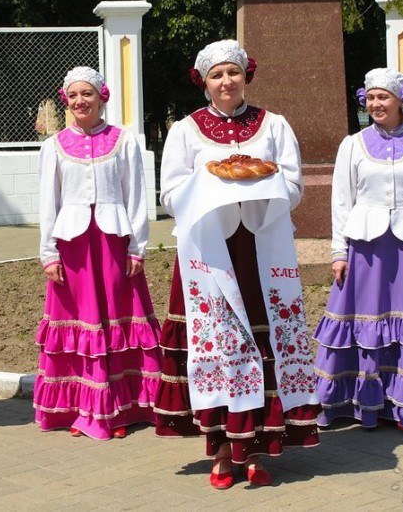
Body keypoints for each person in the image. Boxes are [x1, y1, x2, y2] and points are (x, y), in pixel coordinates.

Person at [154, 40, 320, 489]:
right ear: (204, 82)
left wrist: (265, 183)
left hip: (261, 247)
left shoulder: (274, 124)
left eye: (233, 72)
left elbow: (296, 184)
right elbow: (169, 195)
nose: (226, 82)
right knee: (220, 345)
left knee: (263, 343)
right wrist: (211, 186)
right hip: (209, 251)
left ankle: (258, 450)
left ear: (246, 74)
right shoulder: (185, 130)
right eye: (216, 75)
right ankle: (223, 452)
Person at [312, 68, 403, 432]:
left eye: (383, 97)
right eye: (371, 97)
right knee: (364, 322)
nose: (376, 103)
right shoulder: (352, 145)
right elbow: (341, 201)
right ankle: (356, 403)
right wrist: (338, 251)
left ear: (399, 101)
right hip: (365, 249)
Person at [32, 66, 162, 440]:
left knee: (119, 321)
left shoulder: (124, 141)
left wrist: (137, 247)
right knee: (80, 323)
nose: (79, 101)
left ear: (102, 96)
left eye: (86, 93)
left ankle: (123, 409)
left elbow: (136, 197)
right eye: (72, 95)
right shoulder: (53, 146)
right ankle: (81, 408)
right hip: (72, 247)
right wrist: (49, 254)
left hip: (113, 244)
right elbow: (47, 204)